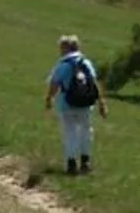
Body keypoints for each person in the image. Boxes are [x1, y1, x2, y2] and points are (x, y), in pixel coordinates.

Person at [44, 33, 106, 174]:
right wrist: (102, 102)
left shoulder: (63, 65)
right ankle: (85, 161)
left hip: (67, 104)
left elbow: (54, 84)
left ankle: (71, 163)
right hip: (86, 103)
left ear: (66, 48)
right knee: (86, 131)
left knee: (70, 132)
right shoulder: (86, 63)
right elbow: (94, 83)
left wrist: (49, 99)